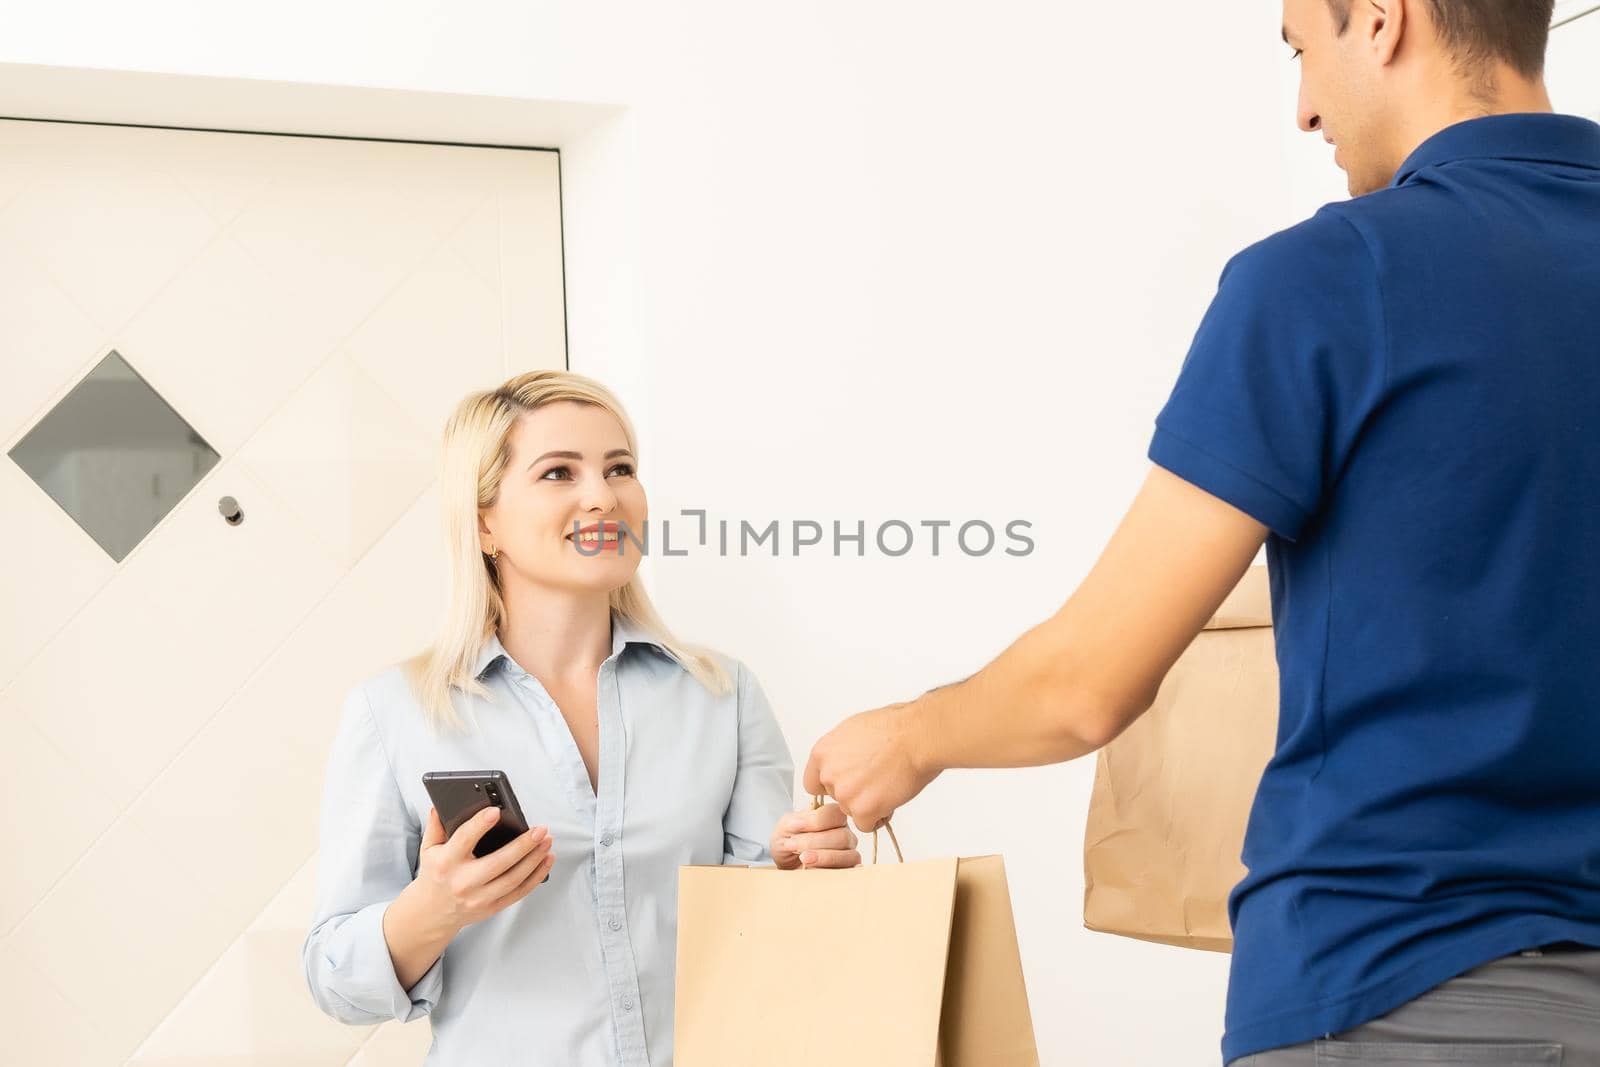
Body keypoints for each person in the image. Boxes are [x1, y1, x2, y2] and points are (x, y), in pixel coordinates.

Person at [802, 0, 1600, 1062]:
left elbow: (1086, 682)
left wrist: (907, 735)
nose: (1307, 110)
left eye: (1299, 52)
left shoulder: (1332, 275)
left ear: (1378, 20)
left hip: (1396, 988)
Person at [302, 370, 860, 1066]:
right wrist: (433, 907)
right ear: (483, 521)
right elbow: (335, 981)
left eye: (620, 467)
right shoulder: (397, 713)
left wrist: (797, 872)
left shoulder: (721, 695)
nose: (603, 495)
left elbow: (759, 948)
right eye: (559, 472)